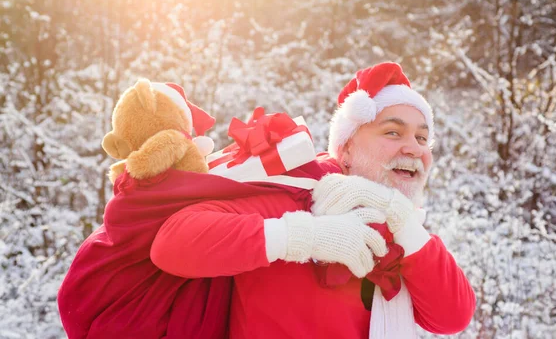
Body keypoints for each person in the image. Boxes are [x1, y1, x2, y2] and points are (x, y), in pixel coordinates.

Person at [150, 62, 476, 338]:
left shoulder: (404, 228)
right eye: (393, 132)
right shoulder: (300, 191)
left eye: (422, 138)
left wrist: (403, 221)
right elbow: (173, 242)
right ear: (346, 149)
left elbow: (453, 316)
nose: (414, 148)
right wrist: (304, 236)